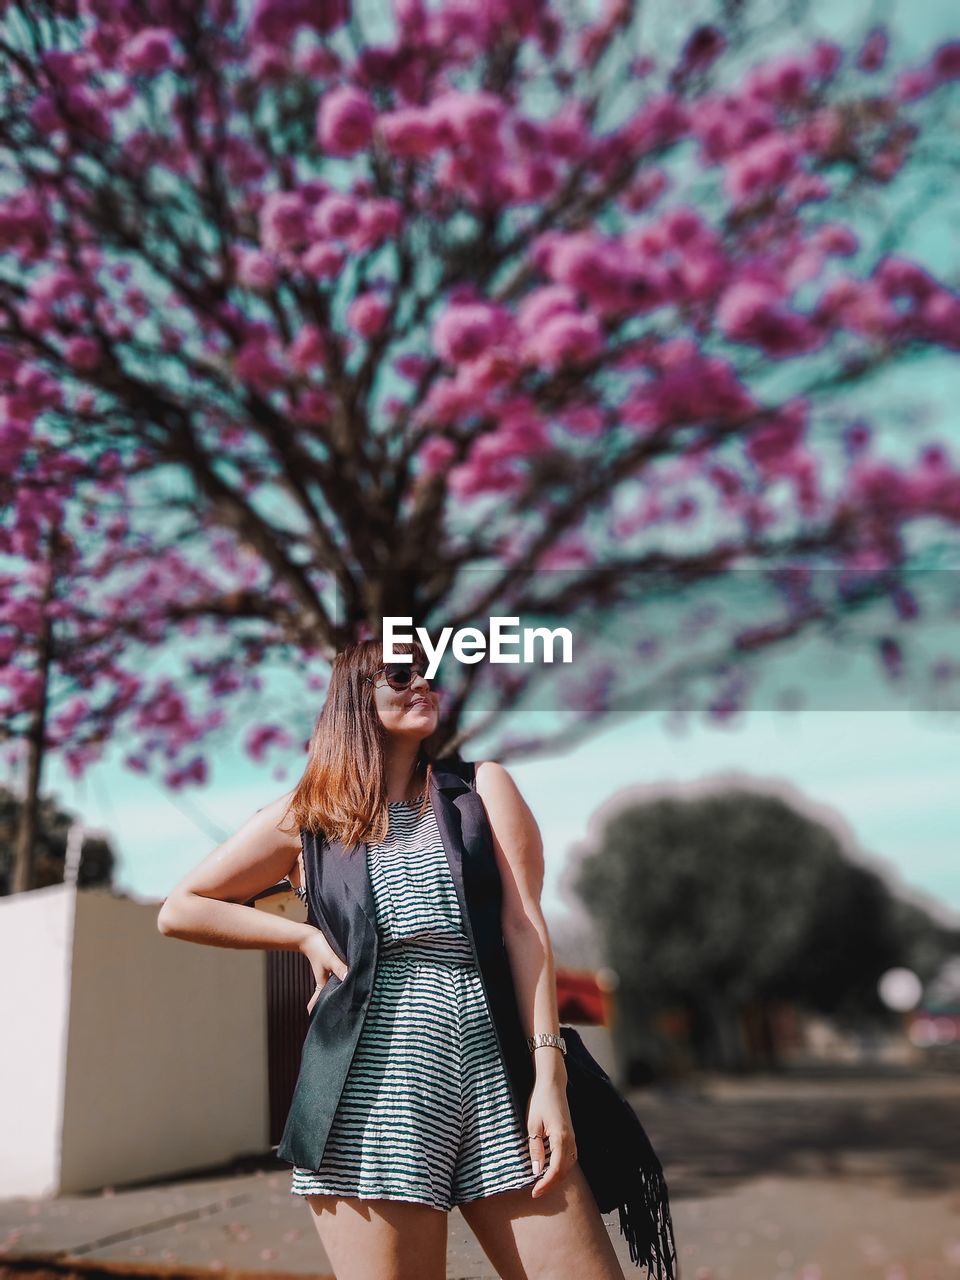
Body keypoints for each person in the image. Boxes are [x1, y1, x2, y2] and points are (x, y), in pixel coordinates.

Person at [157, 637, 627, 1280]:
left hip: (502, 1084)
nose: (421, 685)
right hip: (368, 1098)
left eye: (428, 675)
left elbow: (524, 929)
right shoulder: (309, 816)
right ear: (357, 697)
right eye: (400, 674)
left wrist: (550, 1076)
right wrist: (302, 938)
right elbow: (182, 906)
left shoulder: (483, 789)